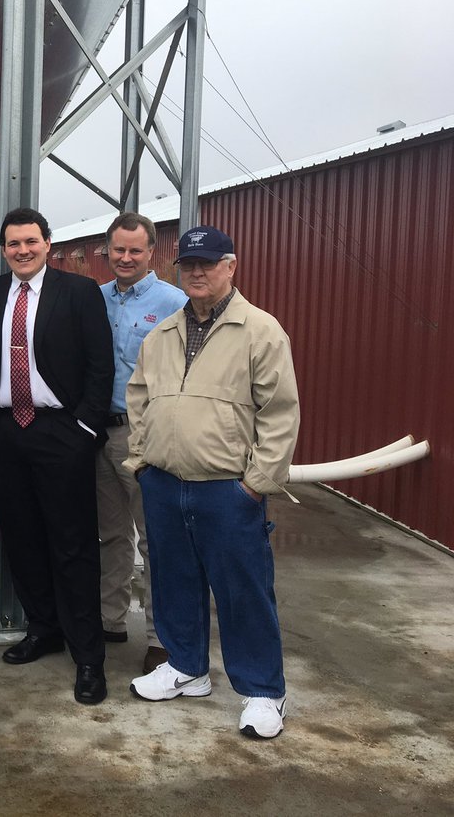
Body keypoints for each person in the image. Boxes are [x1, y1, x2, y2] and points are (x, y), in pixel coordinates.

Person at [126, 226, 300, 740]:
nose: (196, 272)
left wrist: (256, 483)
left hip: (227, 489)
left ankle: (263, 690)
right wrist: (142, 463)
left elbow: (280, 413)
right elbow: (139, 398)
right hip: (164, 482)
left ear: (231, 266)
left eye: (207, 263)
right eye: (188, 264)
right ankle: (187, 667)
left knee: (243, 590)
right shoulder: (163, 334)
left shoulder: (260, 331)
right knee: (172, 580)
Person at [0, 207, 113, 705]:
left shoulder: (80, 293)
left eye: (31, 241)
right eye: (13, 243)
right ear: (3, 249)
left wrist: (84, 429)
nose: (22, 250)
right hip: (5, 434)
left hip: (61, 432)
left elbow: (99, 366)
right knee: (22, 539)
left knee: (73, 545)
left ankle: (88, 656)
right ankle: (43, 628)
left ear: (48, 243)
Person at [96, 212, 187, 674]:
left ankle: (160, 638)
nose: (126, 258)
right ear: (108, 251)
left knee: (155, 539)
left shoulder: (174, 303)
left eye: (135, 250)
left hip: (144, 434)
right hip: (98, 434)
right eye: (119, 249)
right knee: (110, 534)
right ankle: (109, 620)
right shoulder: (96, 299)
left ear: (152, 251)